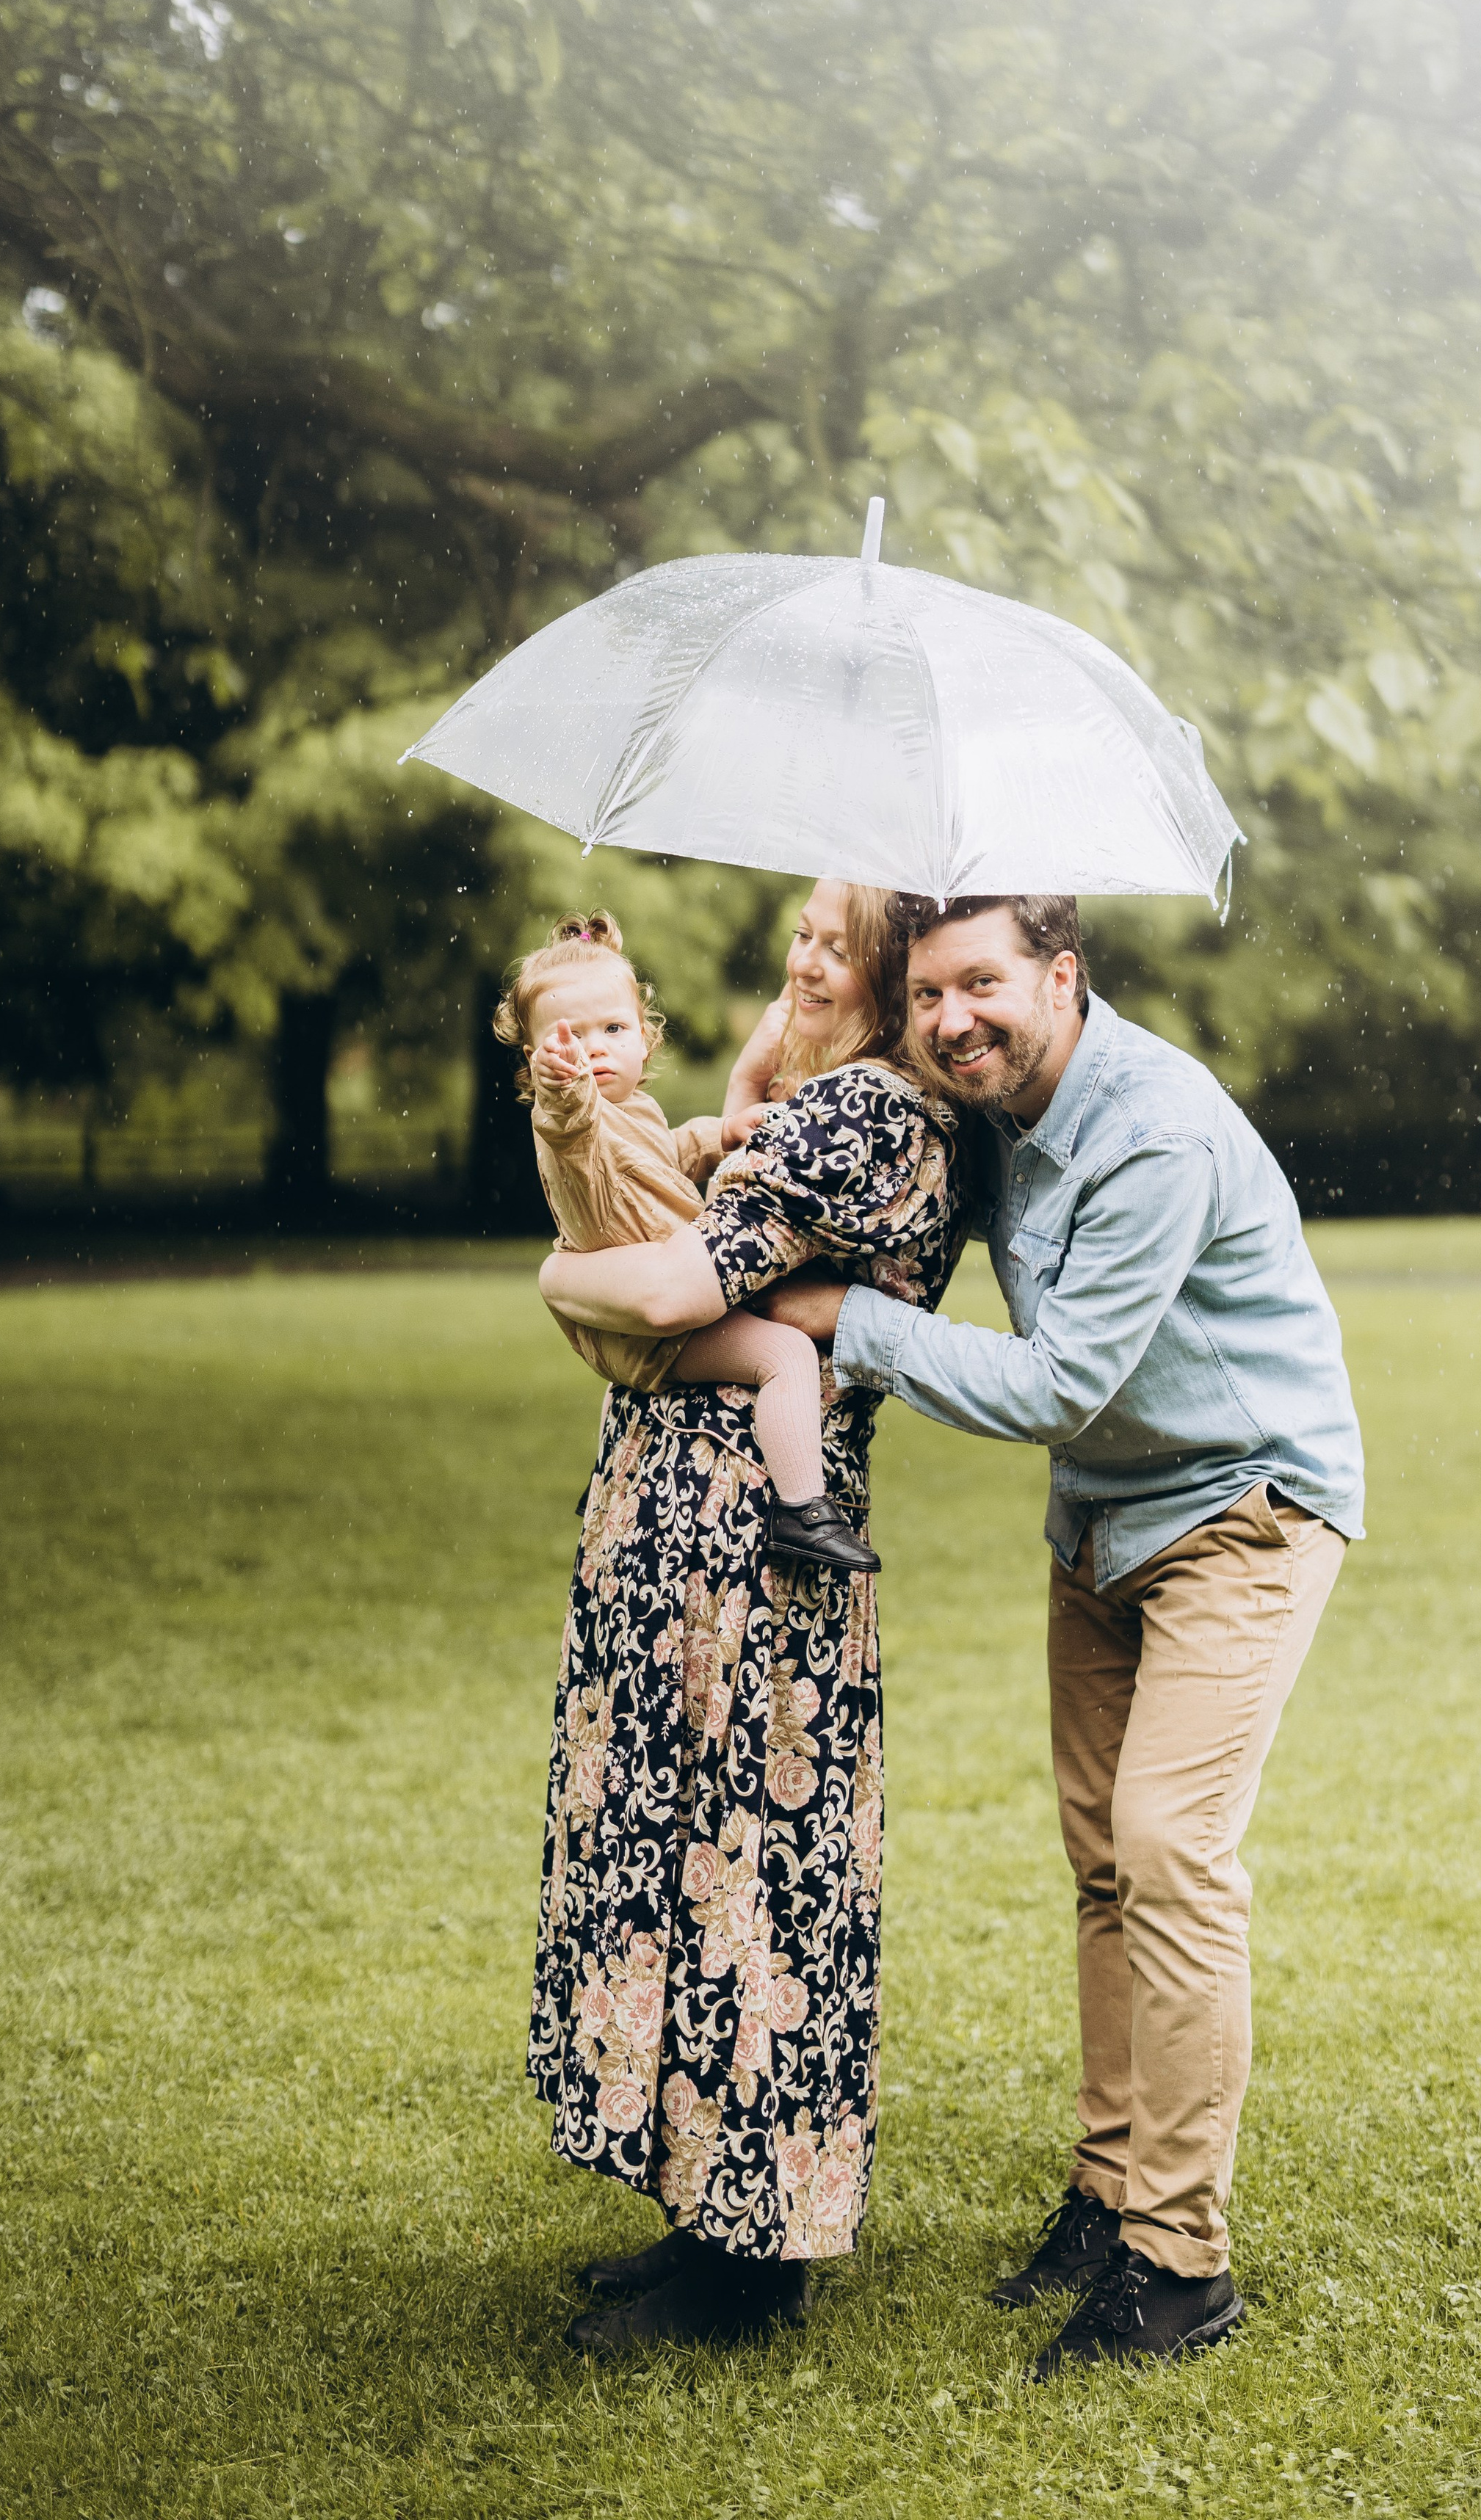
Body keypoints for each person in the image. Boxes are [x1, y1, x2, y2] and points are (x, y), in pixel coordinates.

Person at [758, 893, 1366, 2379]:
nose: (951, 1018)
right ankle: (1107, 2194)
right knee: (1101, 1865)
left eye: (982, 985)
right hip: (1100, 1524)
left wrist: (838, 1317)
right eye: (926, 996)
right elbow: (840, 1149)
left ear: (1061, 977)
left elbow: (1058, 1384)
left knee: (1167, 1850)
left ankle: (1178, 2259)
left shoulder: (1152, 1127)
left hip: (1244, 1501)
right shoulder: (983, 1113)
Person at [525, 879, 965, 2355]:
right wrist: (745, 1089)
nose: (803, 964)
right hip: (674, 1528)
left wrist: (554, 1274)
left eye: (838, 950)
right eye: (802, 938)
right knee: (676, 1855)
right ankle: (691, 2218)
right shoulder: (807, 1101)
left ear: (899, 975)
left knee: (748, 1873)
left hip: (753, 1561)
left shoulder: (880, 1122)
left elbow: (675, 1285)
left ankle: (747, 2258)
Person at [497, 907, 874, 1575]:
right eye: (568, 1039)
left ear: (645, 1038)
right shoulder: (572, 1126)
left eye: (614, 1029)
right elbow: (568, 1126)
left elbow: (660, 1158)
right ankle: (801, 1508)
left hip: (647, 1301)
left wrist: (719, 1135)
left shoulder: (632, 1110)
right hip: (652, 1328)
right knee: (785, 1351)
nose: (594, 1050)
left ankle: (623, 1474)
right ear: (539, 1062)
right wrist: (560, 1090)